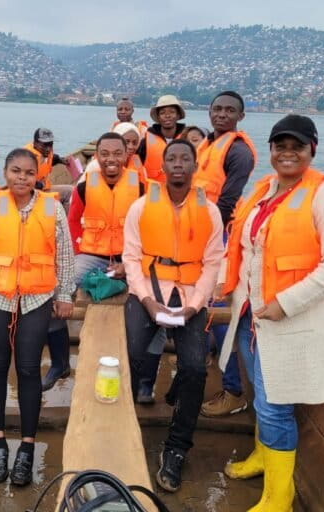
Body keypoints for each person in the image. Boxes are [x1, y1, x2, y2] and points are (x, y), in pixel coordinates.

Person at [216, 115, 324, 510]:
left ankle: (279, 497)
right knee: (262, 394)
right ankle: (263, 458)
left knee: (276, 405)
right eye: (280, 146)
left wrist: (286, 303)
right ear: (272, 150)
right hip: (251, 314)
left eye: (297, 146)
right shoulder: (264, 190)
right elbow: (246, 249)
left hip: (290, 320)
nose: (288, 153)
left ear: (313, 149)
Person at [0, 148, 75, 486]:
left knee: (27, 368)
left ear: (38, 175)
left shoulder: (52, 207)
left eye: (28, 172)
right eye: (15, 171)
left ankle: (26, 445)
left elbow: (65, 255)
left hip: (36, 298)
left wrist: (64, 294)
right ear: (5, 173)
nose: (21, 178)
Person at [123, 139, 223, 491]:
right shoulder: (140, 207)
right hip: (149, 292)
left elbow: (213, 264)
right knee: (134, 356)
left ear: (195, 167)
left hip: (191, 296)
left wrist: (195, 305)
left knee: (195, 367)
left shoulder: (210, 212)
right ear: (162, 167)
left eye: (185, 158)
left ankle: (177, 448)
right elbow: (131, 259)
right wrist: (149, 302)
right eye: (171, 158)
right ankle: (125, 427)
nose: (178, 163)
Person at [42, 132, 144, 391]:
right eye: (105, 154)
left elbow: (150, 228)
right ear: (96, 156)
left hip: (130, 258)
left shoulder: (142, 186)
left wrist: (130, 264)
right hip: (91, 256)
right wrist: (77, 254)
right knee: (53, 292)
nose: (111, 159)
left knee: (151, 299)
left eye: (117, 153)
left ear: (127, 155)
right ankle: (60, 362)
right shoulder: (85, 185)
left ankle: (143, 375)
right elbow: (73, 222)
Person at [196, 91, 258, 418]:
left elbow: (226, 201)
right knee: (198, 301)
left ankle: (233, 390)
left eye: (229, 110)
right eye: (217, 108)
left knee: (217, 312)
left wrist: (200, 237)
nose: (221, 114)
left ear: (240, 116)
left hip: (217, 237)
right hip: (197, 230)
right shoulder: (205, 144)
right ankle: (202, 358)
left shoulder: (238, 152)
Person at [136, 95, 187, 184]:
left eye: (172, 112)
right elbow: (137, 168)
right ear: (158, 117)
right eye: (162, 113)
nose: (167, 115)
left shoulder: (187, 138)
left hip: (180, 192)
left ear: (178, 115)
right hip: (153, 193)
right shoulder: (146, 142)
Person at [24, 127, 73, 210]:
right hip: (30, 196)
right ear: (35, 143)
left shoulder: (44, 153)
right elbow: (23, 181)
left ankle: (65, 222)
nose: (48, 149)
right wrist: (39, 185)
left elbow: (50, 159)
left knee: (71, 191)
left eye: (50, 145)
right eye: (45, 145)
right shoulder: (26, 157)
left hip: (44, 189)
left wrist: (60, 160)